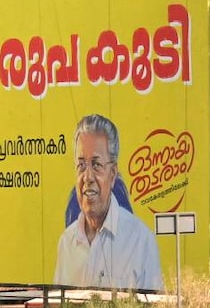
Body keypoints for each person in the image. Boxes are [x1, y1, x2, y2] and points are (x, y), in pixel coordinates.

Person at [54, 114, 164, 292]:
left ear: (112, 174)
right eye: (81, 166)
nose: (87, 177)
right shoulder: (67, 242)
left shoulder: (140, 240)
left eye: (96, 165)